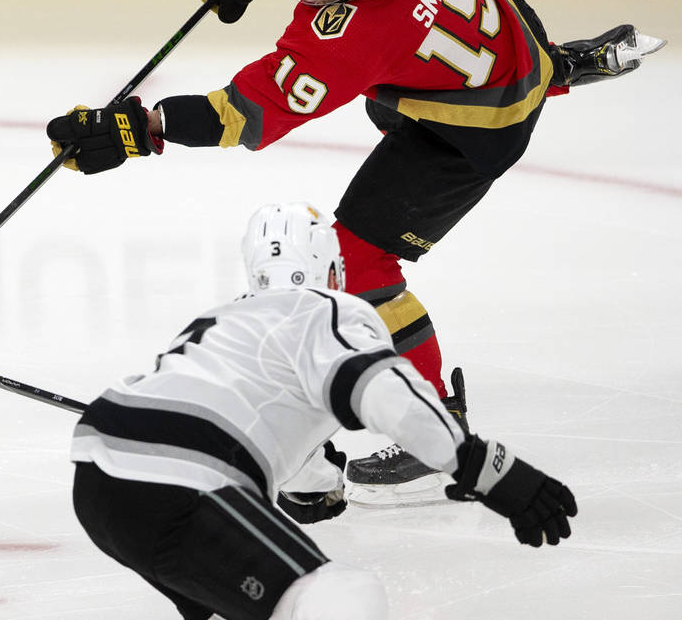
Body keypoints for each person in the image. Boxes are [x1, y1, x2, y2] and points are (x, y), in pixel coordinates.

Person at [48, 0, 665, 504]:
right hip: (497, 24)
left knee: (360, 259)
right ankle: (552, 67)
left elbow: (242, 117)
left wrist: (139, 129)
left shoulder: (352, 39)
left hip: (478, 127)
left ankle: (439, 431)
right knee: (443, 6)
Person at [71, 201, 576, 620]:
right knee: (339, 597)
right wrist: (489, 471)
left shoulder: (221, 319)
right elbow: (383, 392)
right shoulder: (326, 309)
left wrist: (316, 487)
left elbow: (276, 447)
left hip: (100, 480)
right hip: (183, 475)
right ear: (332, 270)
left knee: (271, 601)